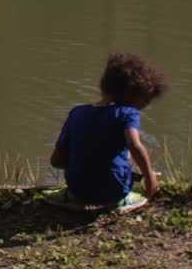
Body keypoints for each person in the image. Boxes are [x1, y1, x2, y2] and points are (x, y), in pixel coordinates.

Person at [49, 52, 169, 210]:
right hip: (114, 191)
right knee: (123, 153)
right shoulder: (128, 113)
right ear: (131, 92)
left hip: (77, 188)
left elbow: (56, 161)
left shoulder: (77, 113)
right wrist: (149, 179)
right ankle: (123, 199)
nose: (146, 104)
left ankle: (72, 195)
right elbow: (134, 145)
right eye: (145, 99)